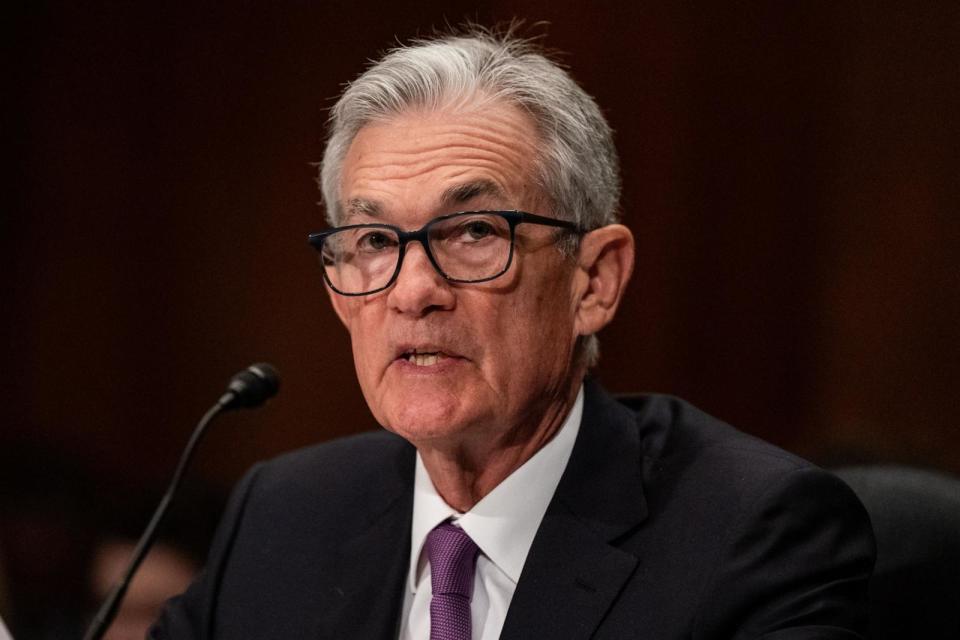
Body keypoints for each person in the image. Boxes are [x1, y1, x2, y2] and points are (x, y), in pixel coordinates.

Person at [151, 26, 874, 639]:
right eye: (373, 239)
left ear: (594, 280)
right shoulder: (283, 515)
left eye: (473, 230)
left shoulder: (753, 534)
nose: (412, 291)